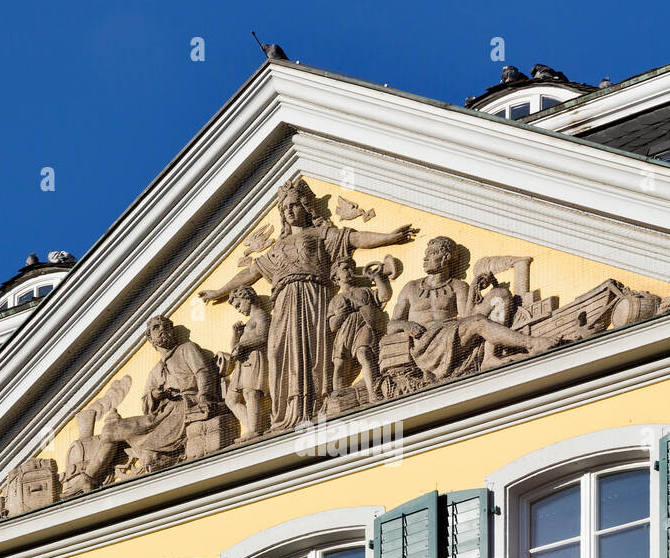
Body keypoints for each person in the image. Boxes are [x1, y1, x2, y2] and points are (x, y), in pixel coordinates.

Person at [199, 177, 416, 430]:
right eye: (285, 209)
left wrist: (389, 237)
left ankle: (317, 404)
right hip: (283, 304)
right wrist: (219, 291)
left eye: (294, 205)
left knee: (313, 348)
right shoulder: (277, 248)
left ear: (305, 206)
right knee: (279, 352)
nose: (289, 212)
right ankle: (286, 414)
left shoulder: (320, 234)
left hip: (312, 297)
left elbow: (355, 239)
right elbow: (250, 272)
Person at [390, 236, 552, 381]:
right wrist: (406, 325)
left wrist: (475, 286)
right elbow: (391, 326)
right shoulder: (410, 288)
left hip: (450, 337)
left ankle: (490, 357)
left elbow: (467, 317)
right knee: (478, 322)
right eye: (426, 253)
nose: (425, 258)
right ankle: (531, 344)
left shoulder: (457, 286)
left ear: (446, 257)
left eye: (431, 253)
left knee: (500, 294)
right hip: (425, 346)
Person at [93, 315, 226, 475]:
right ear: (150, 338)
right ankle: (88, 478)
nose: (162, 329)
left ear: (172, 331)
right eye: (156, 327)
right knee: (109, 430)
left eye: (166, 326)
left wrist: (204, 397)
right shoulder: (155, 371)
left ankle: (164, 455)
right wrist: (155, 395)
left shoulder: (187, 349)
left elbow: (203, 372)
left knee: (149, 458)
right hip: (159, 417)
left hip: (183, 407)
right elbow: (146, 406)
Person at [326, 258, 391, 403]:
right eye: (345, 268)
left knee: (364, 353)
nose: (350, 271)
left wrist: (377, 278)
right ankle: (339, 401)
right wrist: (341, 315)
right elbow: (332, 325)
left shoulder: (364, 291)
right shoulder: (336, 300)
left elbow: (384, 296)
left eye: (351, 268)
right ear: (336, 277)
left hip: (364, 324)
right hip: (344, 331)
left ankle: (373, 393)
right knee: (339, 365)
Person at [216, 286, 269, 440]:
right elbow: (233, 349)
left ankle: (254, 429)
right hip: (242, 363)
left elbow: (264, 337)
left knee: (250, 392)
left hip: (255, 358)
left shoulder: (261, 315)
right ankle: (252, 427)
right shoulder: (247, 323)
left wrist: (243, 345)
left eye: (239, 305)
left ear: (247, 298)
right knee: (230, 399)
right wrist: (236, 335)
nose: (238, 309)